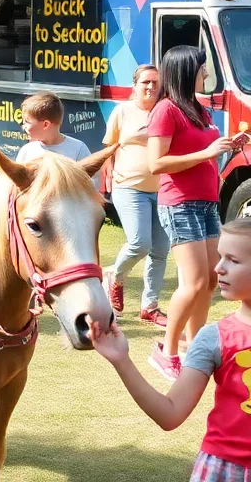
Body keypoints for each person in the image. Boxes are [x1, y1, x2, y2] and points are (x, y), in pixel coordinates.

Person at [92, 217, 251, 481]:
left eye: (233, 260)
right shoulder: (214, 338)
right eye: (220, 257)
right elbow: (170, 414)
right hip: (224, 471)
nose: (218, 268)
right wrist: (121, 359)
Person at [146, 45, 245, 382]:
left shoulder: (197, 108)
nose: (206, 73)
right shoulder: (165, 110)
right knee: (196, 281)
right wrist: (207, 151)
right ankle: (167, 351)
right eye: (203, 68)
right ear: (187, 70)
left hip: (205, 201)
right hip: (179, 202)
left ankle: (193, 347)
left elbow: (201, 150)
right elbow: (156, 163)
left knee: (212, 279)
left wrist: (228, 144)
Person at [103, 65, 171, 327]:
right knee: (140, 243)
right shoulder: (122, 111)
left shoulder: (165, 111)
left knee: (161, 251)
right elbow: (109, 147)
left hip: (162, 190)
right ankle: (116, 278)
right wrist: (106, 172)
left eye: (156, 82)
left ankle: (150, 306)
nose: (151, 87)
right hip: (129, 187)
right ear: (135, 85)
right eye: (146, 82)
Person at [15, 92, 92, 165]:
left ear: (46, 124)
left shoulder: (78, 150)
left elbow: (91, 178)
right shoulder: (26, 151)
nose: (23, 126)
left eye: (27, 121)